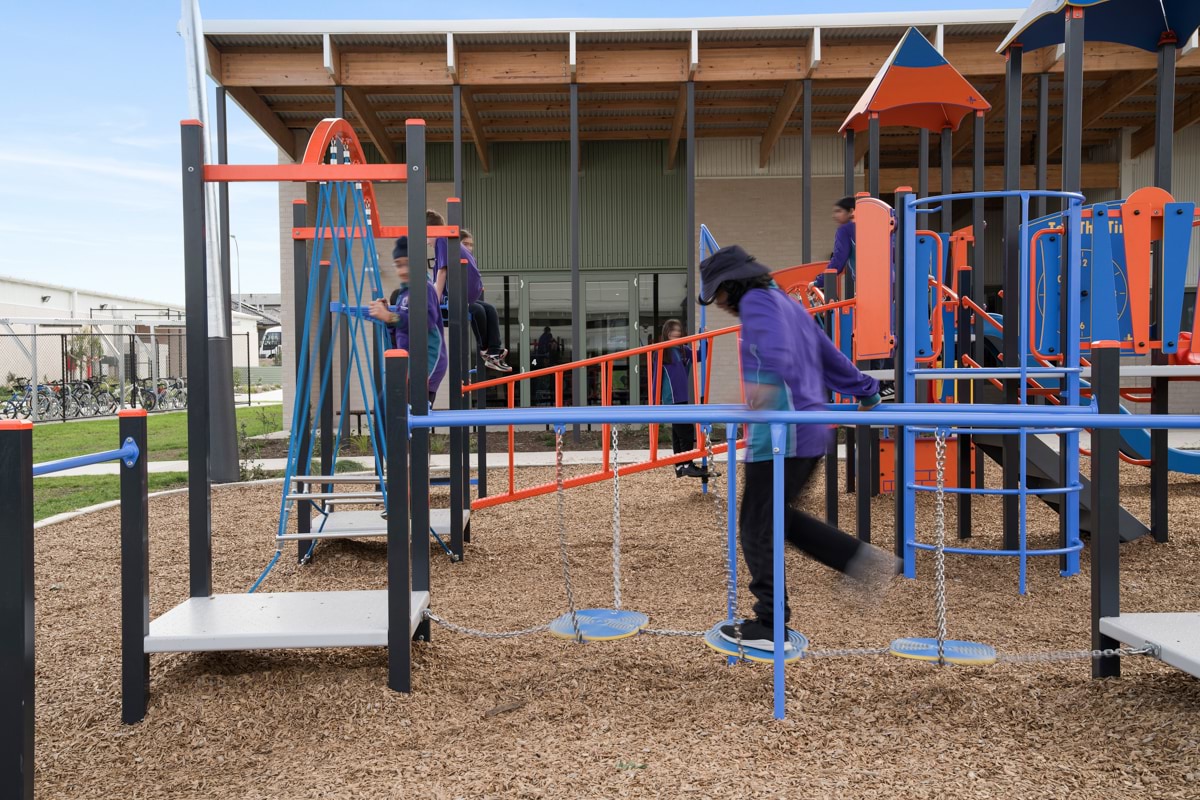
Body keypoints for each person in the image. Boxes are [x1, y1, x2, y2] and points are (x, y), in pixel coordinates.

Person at [697, 244, 896, 652]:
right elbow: (828, 355)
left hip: (780, 435)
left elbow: (777, 356)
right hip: (809, 432)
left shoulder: (756, 303)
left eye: (717, 293)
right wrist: (867, 391)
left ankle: (771, 624)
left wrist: (760, 395)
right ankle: (859, 560)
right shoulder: (787, 305)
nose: (719, 303)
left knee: (755, 527)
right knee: (774, 520)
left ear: (732, 284)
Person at [426, 211, 510, 372]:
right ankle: (487, 350)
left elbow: (442, 272)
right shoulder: (447, 241)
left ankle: (492, 350)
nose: (427, 242)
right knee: (479, 309)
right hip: (459, 295)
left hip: (455, 296)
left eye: (426, 236)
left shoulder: (442, 240)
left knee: (490, 309)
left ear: (431, 230)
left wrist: (434, 303)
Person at [368, 236, 447, 405]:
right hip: (410, 362)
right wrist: (389, 317)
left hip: (426, 362)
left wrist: (390, 316)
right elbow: (401, 330)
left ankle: (404, 431)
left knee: (404, 411)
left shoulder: (425, 288)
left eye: (407, 263)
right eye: (398, 265)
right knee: (384, 404)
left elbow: (424, 322)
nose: (403, 270)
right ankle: (390, 432)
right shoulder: (404, 294)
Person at [651, 319, 708, 479]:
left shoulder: (684, 349)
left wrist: (703, 338)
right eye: (672, 331)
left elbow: (700, 356)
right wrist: (655, 401)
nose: (675, 334)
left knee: (678, 432)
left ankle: (680, 466)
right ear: (666, 334)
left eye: (678, 331)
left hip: (682, 396)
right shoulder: (662, 351)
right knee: (686, 431)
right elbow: (656, 377)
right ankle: (686, 464)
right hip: (671, 398)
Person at [828, 196, 856, 278]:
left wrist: (819, 281)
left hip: (867, 279)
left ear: (851, 211)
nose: (834, 216)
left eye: (838, 211)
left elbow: (839, 258)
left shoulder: (845, 229)